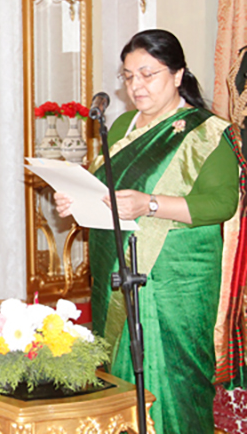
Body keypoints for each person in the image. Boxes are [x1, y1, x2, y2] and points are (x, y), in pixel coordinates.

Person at [54, 29, 239, 434]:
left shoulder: (207, 132)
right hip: (119, 271)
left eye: (147, 74)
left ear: (177, 75)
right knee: (118, 369)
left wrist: (150, 204)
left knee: (177, 374)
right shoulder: (123, 126)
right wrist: (75, 203)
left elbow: (223, 203)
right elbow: (106, 195)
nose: (136, 85)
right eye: (128, 76)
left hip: (178, 278)